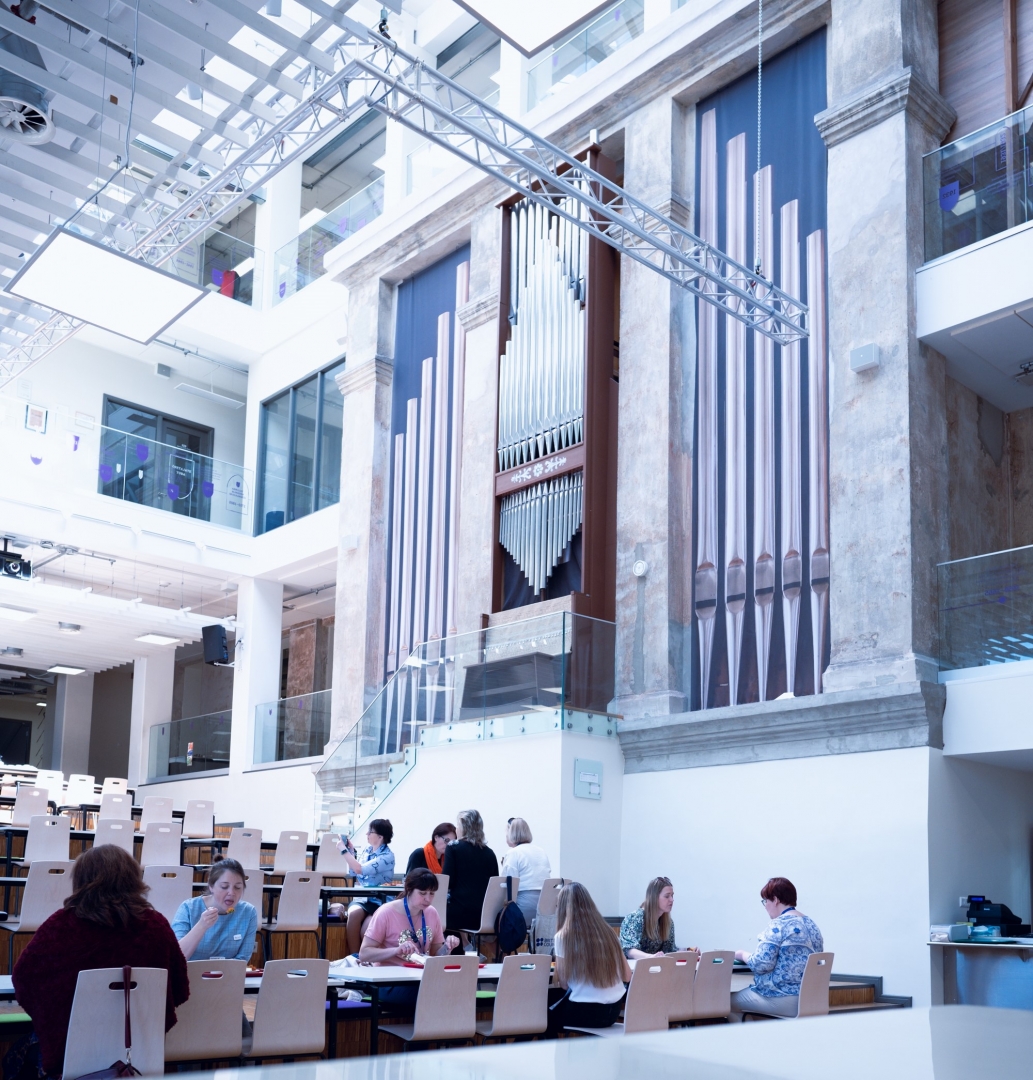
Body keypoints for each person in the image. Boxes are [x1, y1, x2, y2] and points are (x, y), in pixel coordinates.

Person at [12, 845, 189, 1077]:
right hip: (139, 1053)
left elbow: (24, 978)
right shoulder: (157, 926)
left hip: (72, 1053)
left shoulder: (61, 925)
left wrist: (58, 1015)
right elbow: (180, 988)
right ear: (132, 879)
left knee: (15, 1057)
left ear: (82, 881)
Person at [358, 867, 461, 1008]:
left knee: (456, 989)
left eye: (431, 894)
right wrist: (396, 950)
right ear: (409, 889)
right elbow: (364, 954)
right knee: (429, 994)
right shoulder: (386, 912)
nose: (428, 899)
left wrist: (447, 947)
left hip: (420, 978)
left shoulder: (431, 913)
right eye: (422, 893)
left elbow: (435, 955)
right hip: (388, 982)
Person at [730, 876, 824, 1021]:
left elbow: (761, 964)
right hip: (812, 998)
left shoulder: (778, 924)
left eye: (765, 901)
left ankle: (747, 1037)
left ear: (775, 900)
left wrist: (741, 954)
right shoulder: (811, 924)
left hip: (784, 998)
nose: (765, 906)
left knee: (728, 1003)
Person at [548, 881, 630, 1035]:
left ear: (563, 908)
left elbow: (564, 984)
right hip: (613, 1012)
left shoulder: (563, 937)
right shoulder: (609, 932)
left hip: (586, 1013)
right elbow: (627, 975)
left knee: (543, 1014)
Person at [172, 858, 259, 962]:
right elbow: (176, 957)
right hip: (190, 971)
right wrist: (202, 926)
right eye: (224, 886)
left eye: (237, 887)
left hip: (229, 972)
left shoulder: (248, 912)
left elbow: (242, 959)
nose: (231, 893)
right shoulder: (188, 908)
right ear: (211, 886)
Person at [336, 818, 396, 954]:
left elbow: (359, 869)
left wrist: (343, 850)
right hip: (363, 898)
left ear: (380, 837)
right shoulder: (367, 850)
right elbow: (354, 872)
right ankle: (354, 957)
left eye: (370, 832)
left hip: (380, 901)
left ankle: (367, 958)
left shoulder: (387, 856)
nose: (367, 834)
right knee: (353, 914)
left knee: (366, 929)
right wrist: (351, 851)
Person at [441, 809, 498, 942]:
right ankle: (468, 945)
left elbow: (447, 882)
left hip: (459, 915)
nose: (456, 829)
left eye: (458, 825)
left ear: (464, 828)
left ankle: (457, 948)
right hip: (484, 917)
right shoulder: (489, 853)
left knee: (435, 913)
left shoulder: (453, 847)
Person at [500, 817, 551, 929]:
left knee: (495, 916)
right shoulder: (541, 851)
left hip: (523, 909)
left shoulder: (513, 853)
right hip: (545, 908)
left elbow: (507, 886)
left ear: (512, 833)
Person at [619, 876, 687, 958]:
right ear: (654, 897)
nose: (672, 900)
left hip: (655, 965)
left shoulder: (668, 923)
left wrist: (688, 951)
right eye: (667, 896)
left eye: (672, 896)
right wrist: (651, 957)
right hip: (633, 965)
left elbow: (669, 950)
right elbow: (629, 950)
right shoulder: (634, 918)